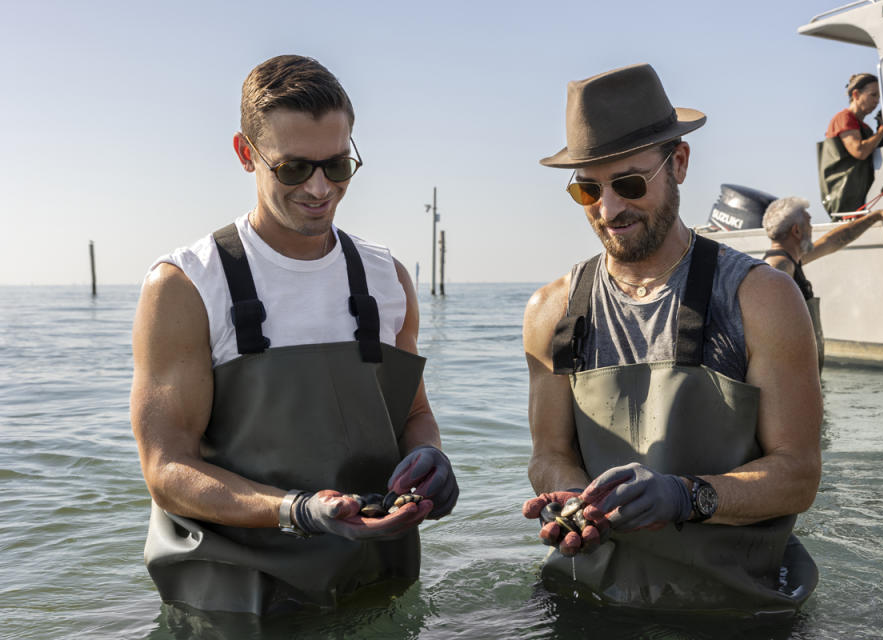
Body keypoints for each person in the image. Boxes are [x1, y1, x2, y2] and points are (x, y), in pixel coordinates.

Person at [130, 54, 458, 615]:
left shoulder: (388, 278)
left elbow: (411, 416)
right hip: (236, 600)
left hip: (374, 585)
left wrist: (430, 457)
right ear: (245, 154)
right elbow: (167, 471)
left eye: (338, 167)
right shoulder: (186, 285)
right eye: (292, 169)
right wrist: (297, 510)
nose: (319, 188)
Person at [521, 63, 822, 615]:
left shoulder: (763, 299)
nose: (608, 210)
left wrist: (687, 496)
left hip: (736, 608)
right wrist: (570, 500)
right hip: (587, 598)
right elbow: (549, 454)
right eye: (588, 189)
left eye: (630, 184)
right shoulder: (551, 309)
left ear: (679, 163)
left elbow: (798, 476)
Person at [763, 196, 883, 371]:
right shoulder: (779, 266)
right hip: (791, 378)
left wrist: (876, 216)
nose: (812, 228)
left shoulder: (792, 260)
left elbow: (833, 241)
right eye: (809, 223)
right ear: (796, 231)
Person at [819, 73, 883, 214]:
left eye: (879, 97)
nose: (876, 101)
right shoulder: (844, 118)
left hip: (860, 197)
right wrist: (882, 131)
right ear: (856, 94)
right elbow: (860, 151)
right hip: (845, 199)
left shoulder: (865, 128)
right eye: (873, 95)